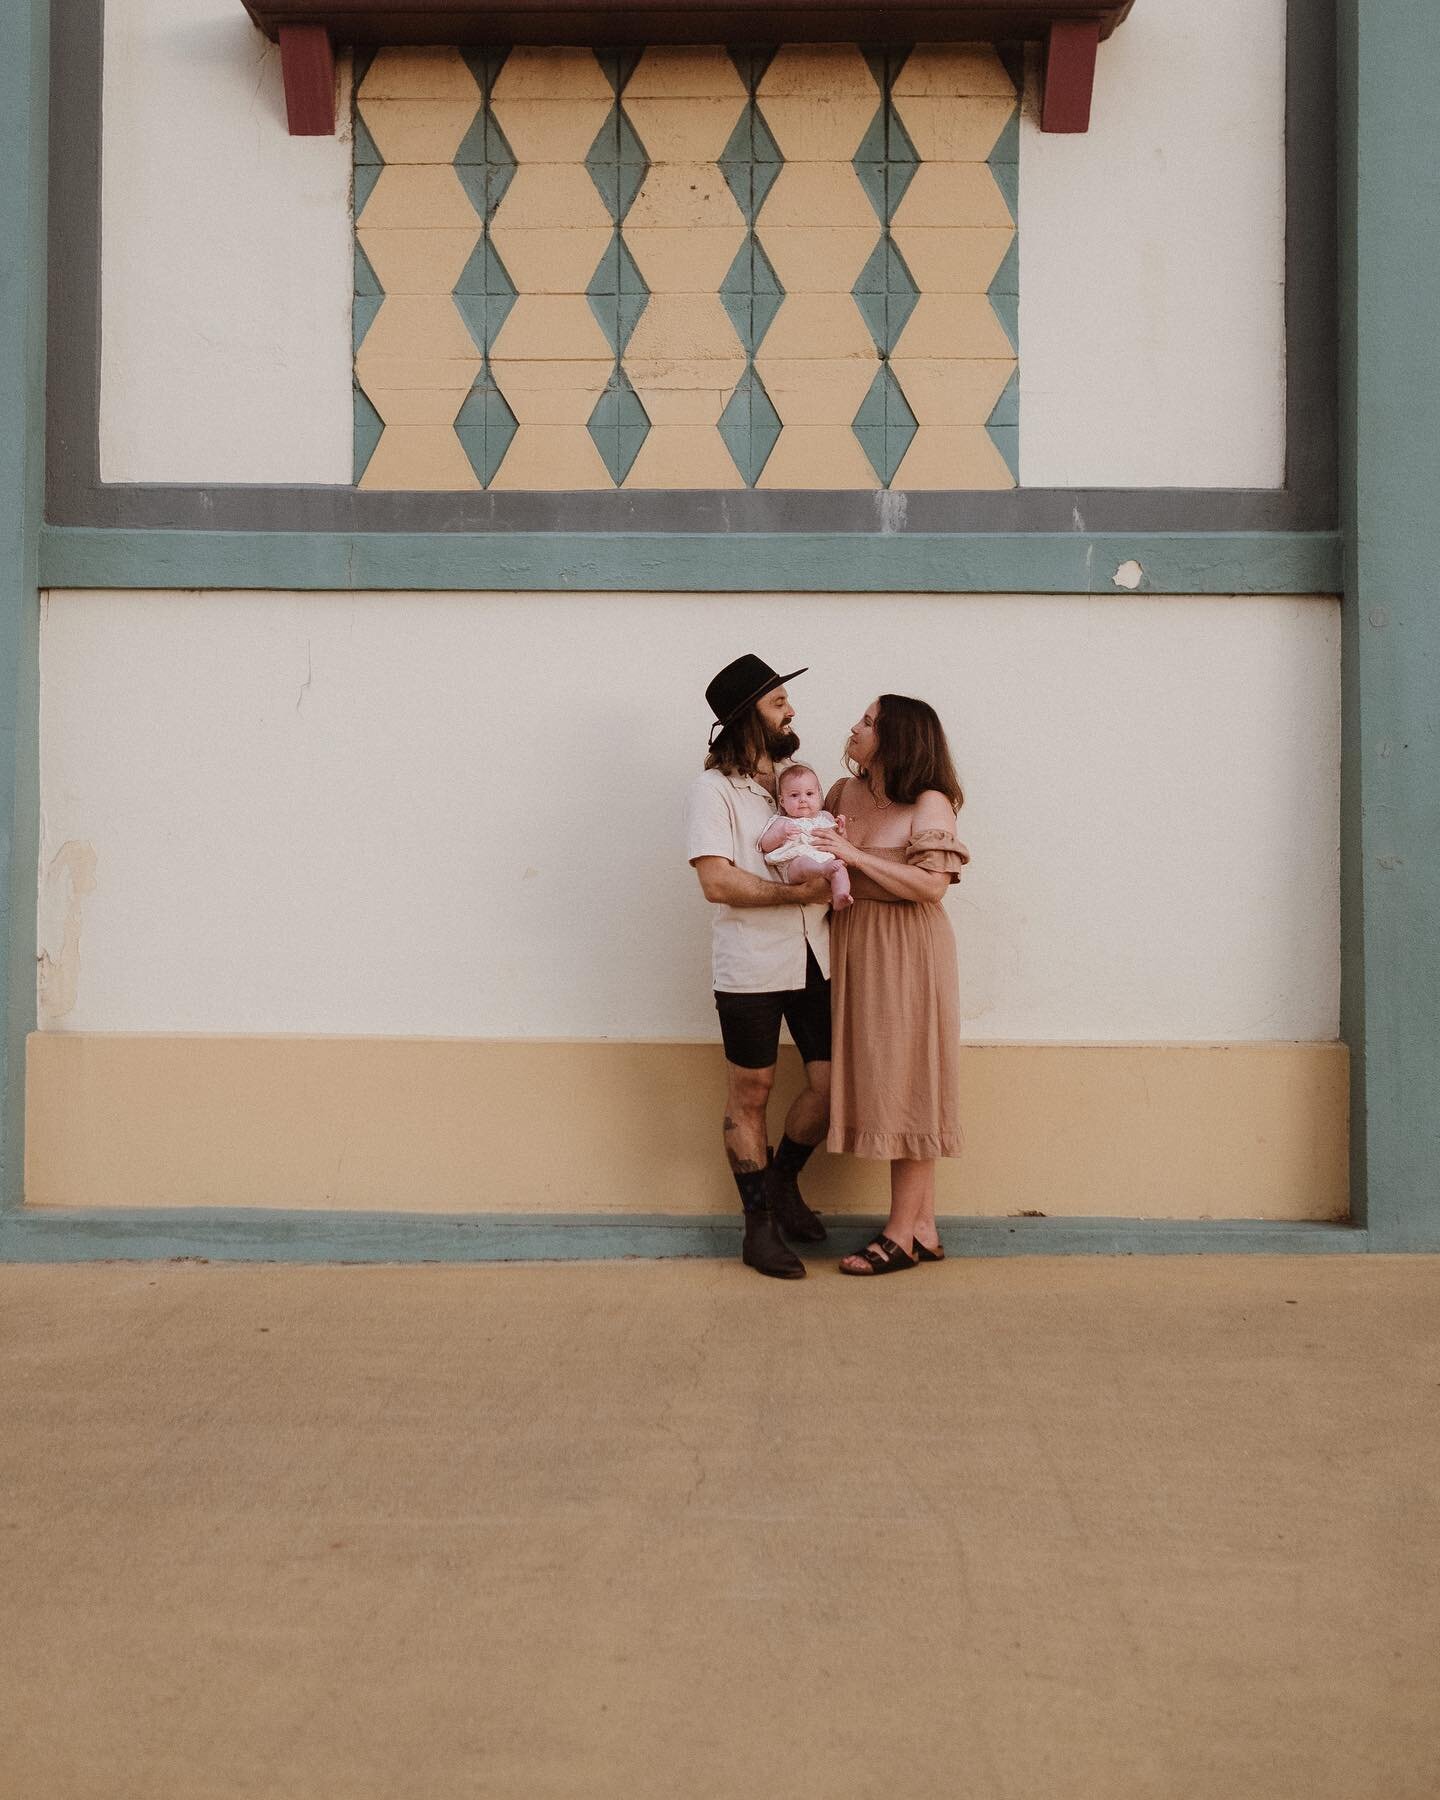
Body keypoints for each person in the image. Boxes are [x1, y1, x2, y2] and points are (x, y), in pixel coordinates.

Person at [808, 695, 969, 1275]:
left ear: (898, 740)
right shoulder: (841, 794)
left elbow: (931, 887)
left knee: (908, 1080)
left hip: (907, 950)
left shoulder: (929, 803)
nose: (855, 727)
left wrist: (853, 854)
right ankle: (922, 1228)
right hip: (854, 945)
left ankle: (901, 1233)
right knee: (885, 1078)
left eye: (870, 722)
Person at [685, 655, 833, 1280]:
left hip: (816, 959)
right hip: (749, 966)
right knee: (752, 1094)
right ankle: (758, 1229)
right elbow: (716, 881)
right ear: (749, 717)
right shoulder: (713, 791)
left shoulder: (798, 780)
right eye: (778, 703)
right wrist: (792, 896)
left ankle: (783, 1181)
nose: (791, 711)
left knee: (833, 1088)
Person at [757, 764, 853, 911]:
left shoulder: (826, 817)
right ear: (782, 801)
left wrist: (841, 832)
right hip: (794, 865)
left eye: (809, 794)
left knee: (840, 869)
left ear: (819, 795)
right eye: (794, 795)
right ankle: (823, 869)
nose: (803, 800)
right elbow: (765, 845)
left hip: (827, 860)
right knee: (802, 863)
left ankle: (841, 895)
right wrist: (780, 834)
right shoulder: (782, 821)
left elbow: (841, 845)